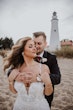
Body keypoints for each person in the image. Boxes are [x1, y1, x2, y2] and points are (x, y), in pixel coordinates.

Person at [4, 37, 53, 110]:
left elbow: (47, 93)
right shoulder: (16, 69)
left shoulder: (43, 68)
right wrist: (10, 82)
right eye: (30, 46)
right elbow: (14, 92)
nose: (35, 48)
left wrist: (48, 84)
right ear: (22, 51)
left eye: (34, 46)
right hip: (19, 106)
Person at [33, 32, 61, 108]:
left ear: (45, 44)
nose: (36, 46)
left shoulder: (52, 58)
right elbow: (12, 70)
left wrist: (43, 77)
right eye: (34, 43)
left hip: (45, 96)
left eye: (39, 43)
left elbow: (58, 78)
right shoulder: (26, 55)